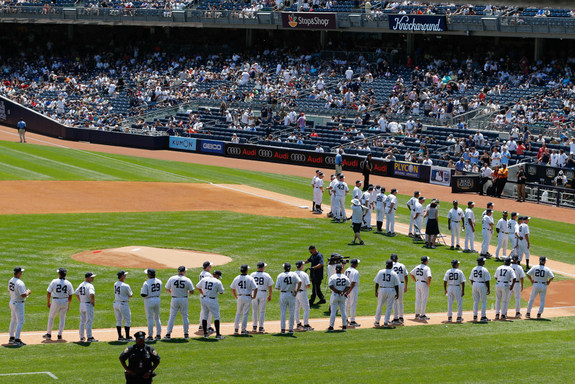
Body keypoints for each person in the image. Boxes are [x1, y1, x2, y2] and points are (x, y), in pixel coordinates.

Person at [164, 266, 194, 340]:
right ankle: (186, 334)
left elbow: (167, 289)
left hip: (174, 298)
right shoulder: (187, 279)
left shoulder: (172, 278)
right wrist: (187, 292)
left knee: (172, 316)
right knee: (185, 317)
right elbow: (192, 291)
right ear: (183, 272)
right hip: (184, 299)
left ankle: (168, 334)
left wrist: (173, 292)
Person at [43, 267, 74, 341]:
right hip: (65, 301)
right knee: (62, 318)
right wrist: (68, 304)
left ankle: (49, 334)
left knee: (51, 317)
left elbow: (48, 293)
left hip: (56, 301)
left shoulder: (54, 281)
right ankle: (60, 335)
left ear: (59, 274)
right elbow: (70, 295)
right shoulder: (68, 283)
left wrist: (48, 301)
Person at [196, 270, 225, 340]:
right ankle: (218, 334)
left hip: (204, 298)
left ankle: (205, 334)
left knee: (205, 316)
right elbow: (221, 292)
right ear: (217, 275)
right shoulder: (218, 282)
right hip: (212, 300)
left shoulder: (204, 279)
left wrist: (202, 293)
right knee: (216, 317)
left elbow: (197, 287)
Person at [275, 262, 302, 334]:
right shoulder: (294, 274)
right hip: (291, 294)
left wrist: (283, 287)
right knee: (292, 312)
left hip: (283, 294)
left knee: (283, 312)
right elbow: (300, 282)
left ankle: (283, 329)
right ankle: (290, 329)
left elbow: (277, 287)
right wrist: (296, 290)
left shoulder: (280, 275)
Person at [231, 264, 257, 335]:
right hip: (247, 297)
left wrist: (235, 296)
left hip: (239, 297)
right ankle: (243, 330)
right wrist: (254, 296)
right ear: (246, 270)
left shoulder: (236, 278)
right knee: (245, 314)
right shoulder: (250, 278)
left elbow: (232, 288)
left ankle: (236, 329)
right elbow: (255, 288)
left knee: (238, 313)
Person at [8, 266, 31, 346]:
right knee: (20, 321)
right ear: (19, 273)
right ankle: (17, 339)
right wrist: (28, 292)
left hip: (12, 301)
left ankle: (11, 338)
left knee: (13, 320)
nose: (22, 273)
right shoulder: (20, 283)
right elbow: (23, 295)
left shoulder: (11, 280)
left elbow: (9, 291)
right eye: (21, 272)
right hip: (18, 303)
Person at [374, 260, 400, 328]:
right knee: (389, 307)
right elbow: (396, 285)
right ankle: (386, 322)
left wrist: (376, 291)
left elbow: (377, 283)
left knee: (379, 305)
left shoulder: (380, 271)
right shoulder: (394, 273)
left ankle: (377, 321)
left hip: (382, 289)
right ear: (391, 266)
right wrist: (397, 293)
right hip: (391, 290)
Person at [251, 261, 274, 333]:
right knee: (262, 311)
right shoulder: (266, 275)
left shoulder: (252, 274)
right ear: (263, 268)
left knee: (254, 311)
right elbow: (270, 287)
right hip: (263, 293)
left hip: (254, 292)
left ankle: (254, 327)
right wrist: (270, 295)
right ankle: (261, 327)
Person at [327, 264, 351, 331]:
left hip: (335, 295)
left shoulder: (332, 277)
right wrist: (342, 292)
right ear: (341, 269)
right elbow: (348, 286)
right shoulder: (345, 277)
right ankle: (344, 326)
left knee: (333, 312)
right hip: (342, 296)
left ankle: (331, 327)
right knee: (343, 311)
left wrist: (337, 291)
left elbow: (331, 286)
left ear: (335, 269)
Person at [141, 268, 162, 341]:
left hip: (149, 300)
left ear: (149, 274)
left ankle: (150, 336)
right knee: (157, 318)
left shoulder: (146, 283)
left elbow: (143, 294)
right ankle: (158, 335)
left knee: (150, 318)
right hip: (157, 299)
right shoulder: (159, 281)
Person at [75, 271, 98, 343]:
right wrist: (93, 301)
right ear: (87, 278)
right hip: (88, 305)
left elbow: (76, 293)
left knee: (82, 321)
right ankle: (89, 337)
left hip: (82, 305)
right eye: (91, 277)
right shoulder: (90, 286)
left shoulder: (81, 284)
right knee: (89, 321)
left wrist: (81, 300)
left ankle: (81, 337)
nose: (93, 278)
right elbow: (92, 294)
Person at [410, 256, 432, 321]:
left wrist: (415, 280)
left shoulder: (417, 266)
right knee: (424, 299)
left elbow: (411, 273)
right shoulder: (427, 268)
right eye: (427, 260)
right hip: (424, 284)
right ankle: (422, 315)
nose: (428, 261)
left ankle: (417, 314)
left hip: (418, 283)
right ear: (425, 261)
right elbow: (429, 277)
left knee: (418, 299)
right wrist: (428, 283)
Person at [114, 271, 133, 342]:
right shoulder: (126, 285)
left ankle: (120, 336)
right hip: (123, 304)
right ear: (122, 276)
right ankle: (127, 337)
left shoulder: (115, 283)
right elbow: (131, 295)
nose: (125, 276)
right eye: (124, 275)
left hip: (116, 303)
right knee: (127, 320)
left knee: (119, 320)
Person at [470, 257, 491, 322]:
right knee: (483, 301)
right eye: (483, 261)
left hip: (475, 284)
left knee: (476, 301)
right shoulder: (484, 269)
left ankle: (475, 316)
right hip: (482, 285)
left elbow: (471, 278)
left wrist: (473, 285)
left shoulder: (474, 269)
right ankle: (483, 316)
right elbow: (487, 280)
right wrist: (488, 288)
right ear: (481, 262)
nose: (484, 262)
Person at [294, 261, 313, 331]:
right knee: (306, 308)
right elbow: (308, 285)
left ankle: (298, 324)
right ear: (301, 266)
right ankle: (306, 324)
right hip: (302, 293)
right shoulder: (304, 274)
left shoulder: (293, 274)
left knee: (296, 309)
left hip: (295, 293)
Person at [390, 253, 408, 325]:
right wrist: (406, 286)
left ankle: (395, 318)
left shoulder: (390, 265)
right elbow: (406, 276)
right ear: (397, 258)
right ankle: (401, 317)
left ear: (391, 259)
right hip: (401, 284)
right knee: (400, 301)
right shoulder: (402, 265)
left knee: (394, 302)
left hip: (394, 285)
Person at [197, 261, 213, 334]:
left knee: (203, 310)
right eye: (210, 266)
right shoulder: (208, 275)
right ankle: (208, 326)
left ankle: (201, 325)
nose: (211, 267)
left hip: (202, 293)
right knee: (209, 311)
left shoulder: (201, 273)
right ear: (207, 267)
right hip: (207, 294)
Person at [344, 258, 361, 327]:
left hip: (346, 288)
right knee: (353, 304)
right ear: (356, 264)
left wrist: (346, 291)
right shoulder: (355, 272)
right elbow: (353, 283)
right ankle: (352, 321)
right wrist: (349, 291)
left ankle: (345, 319)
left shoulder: (346, 270)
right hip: (352, 289)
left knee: (346, 305)